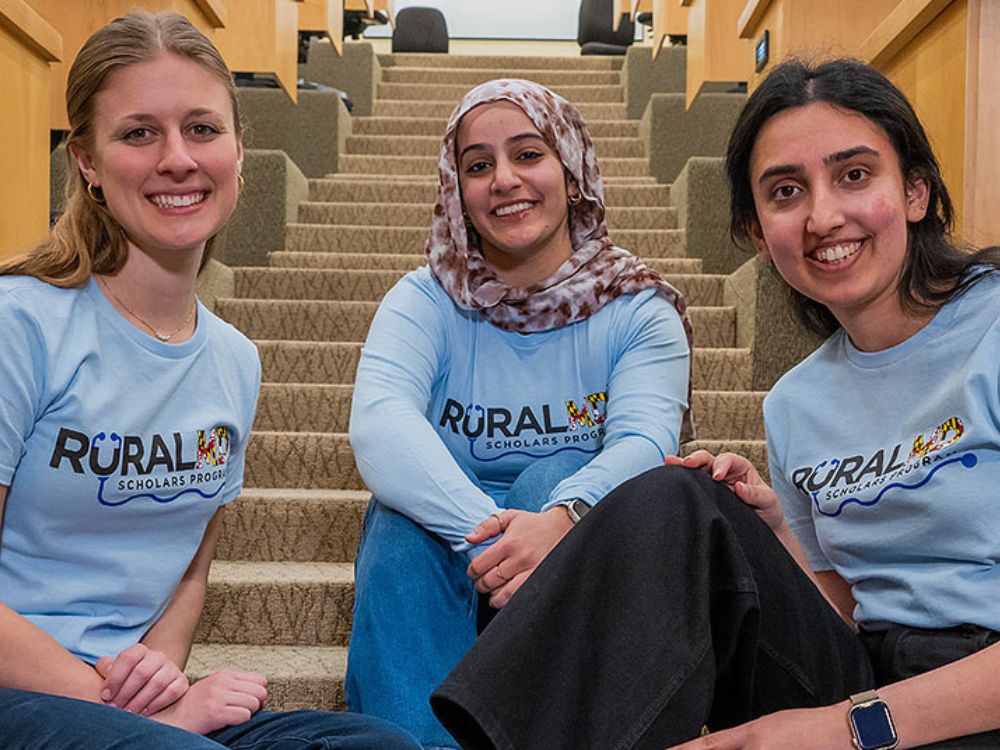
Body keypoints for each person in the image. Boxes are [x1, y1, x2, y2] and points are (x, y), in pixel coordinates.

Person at [429, 59, 1000, 750]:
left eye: (854, 175)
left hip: (972, 695)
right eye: (786, 191)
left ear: (915, 191)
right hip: (861, 668)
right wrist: (771, 535)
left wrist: (835, 729)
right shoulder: (796, 401)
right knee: (677, 498)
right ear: (759, 234)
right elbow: (847, 608)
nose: (823, 216)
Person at [0, 11, 420, 750]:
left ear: (237, 149)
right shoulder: (22, 323)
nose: (177, 159)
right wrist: (140, 714)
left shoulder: (234, 359)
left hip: (132, 708)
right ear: (87, 161)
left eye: (201, 129)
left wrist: (159, 685)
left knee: (379, 746)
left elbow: (189, 573)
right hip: (23, 692)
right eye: (139, 133)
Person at [346, 79, 694, 748]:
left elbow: (648, 443)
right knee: (399, 517)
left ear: (571, 170)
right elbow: (380, 426)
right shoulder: (425, 299)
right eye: (478, 165)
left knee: (552, 477)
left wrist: (561, 519)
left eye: (528, 154)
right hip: (454, 547)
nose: (504, 180)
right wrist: (497, 541)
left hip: (576, 550)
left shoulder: (638, 308)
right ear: (458, 189)